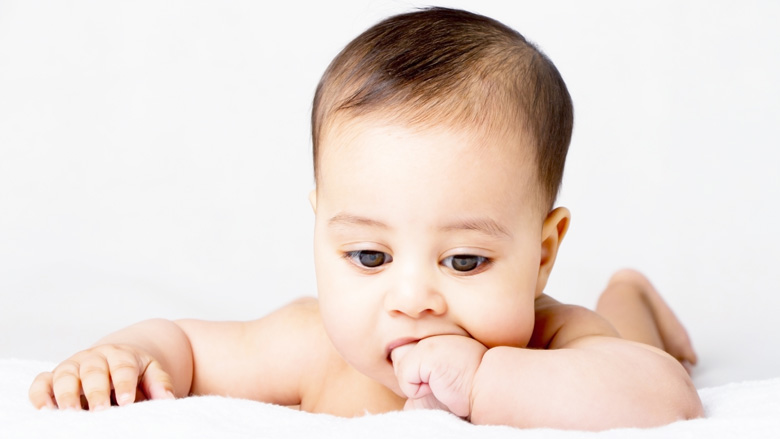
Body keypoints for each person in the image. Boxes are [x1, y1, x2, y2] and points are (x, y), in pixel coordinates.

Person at [28, 7, 703, 430]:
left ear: (543, 251)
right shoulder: (315, 344)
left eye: (465, 259)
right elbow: (187, 343)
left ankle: (629, 292)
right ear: (321, 227)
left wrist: (483, 380)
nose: (411, 300)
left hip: (602, 338)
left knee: (634, 339)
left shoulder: (553, 338)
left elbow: (661, 395)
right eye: (369, 257)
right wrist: (128, 355)